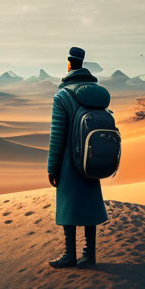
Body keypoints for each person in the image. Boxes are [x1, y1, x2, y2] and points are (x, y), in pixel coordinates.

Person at [47, 46, 109, 268]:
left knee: (69, 208)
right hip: (92, 158)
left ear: (68, 64)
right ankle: (89, 254)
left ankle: (69, 255)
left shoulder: (63, 96)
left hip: (68, 163)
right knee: (89, 207)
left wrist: (52, 168)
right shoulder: (97, 94)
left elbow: (57, 136)